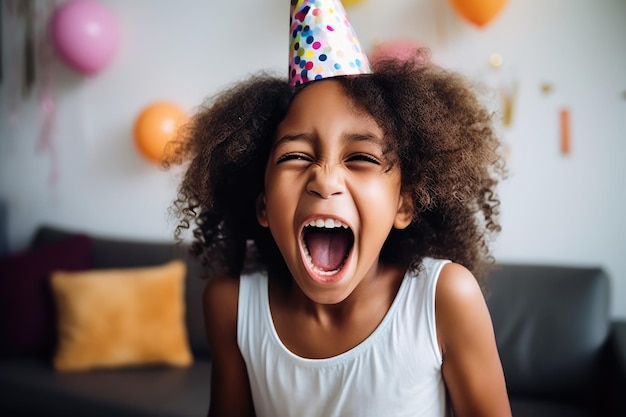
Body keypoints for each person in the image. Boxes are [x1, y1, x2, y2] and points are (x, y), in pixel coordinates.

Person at [166, 1, 511, 416]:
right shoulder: (231, 307)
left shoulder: (444, 300)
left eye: (361, 159)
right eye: (295, 156)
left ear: (404, 205)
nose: (324, 179)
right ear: (263, 205)